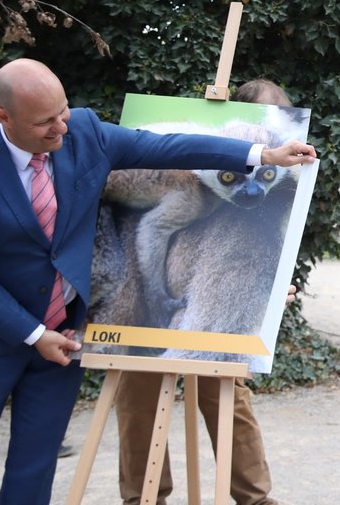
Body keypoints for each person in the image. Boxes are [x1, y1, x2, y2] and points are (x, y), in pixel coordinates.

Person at [0, 59, 316, 505]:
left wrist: (261, 156)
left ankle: (250, 494)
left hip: (62, 337)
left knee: (33, 473)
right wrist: (34, 333)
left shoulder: (85, 132)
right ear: (4, 116)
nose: (62, 126)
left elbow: (172, 146)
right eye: (45, 121)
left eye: (63, 111)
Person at [114, 78, 296, 505]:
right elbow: (150, 228)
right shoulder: (195, 158)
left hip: (204, 283)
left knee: (227, 390)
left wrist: (273, 288)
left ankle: (253, 496)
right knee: (138, 387)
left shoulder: (278, 180)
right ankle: (143, 496)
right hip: (144, 273)